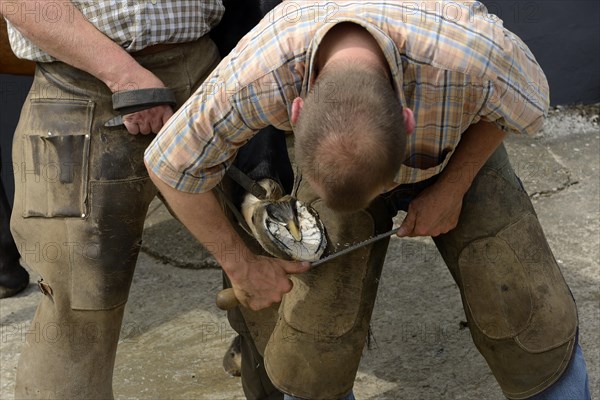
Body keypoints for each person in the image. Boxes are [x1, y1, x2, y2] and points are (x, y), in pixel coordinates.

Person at [144, 2, 591, 400]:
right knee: (317, 331)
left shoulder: (472, 54)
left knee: (524, 304)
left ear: (408, 117)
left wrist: (453, 187)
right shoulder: (259, 73)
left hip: (454, 147)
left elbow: (523, 101)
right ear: (297, 111)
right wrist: (241, 265)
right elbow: (167, 165)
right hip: (345, 156)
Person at [3, 1, 225, 398]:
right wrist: (124, 76)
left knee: (270, 256)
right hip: (79, 86)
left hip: (210, 72)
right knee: (77, 303)